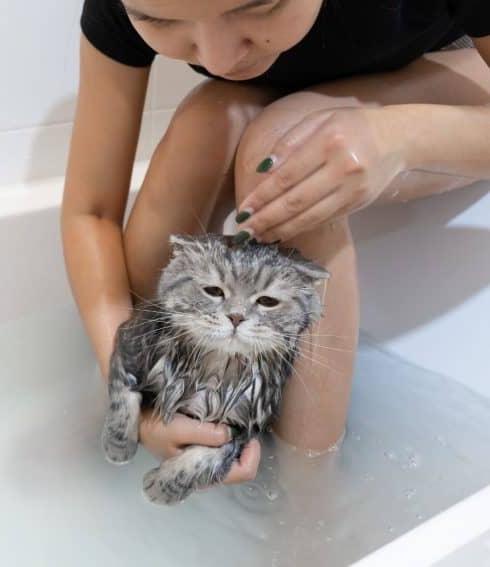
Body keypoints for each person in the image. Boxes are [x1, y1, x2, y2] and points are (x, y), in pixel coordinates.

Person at [60, 0, 490, 486]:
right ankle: (151, 405)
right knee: (204, 124)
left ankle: (309, 505)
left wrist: (401, 138)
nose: (219, 60)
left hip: (463, 99)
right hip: (302, 99)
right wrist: (126, 394)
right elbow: (91, 211)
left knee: (283, 151)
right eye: (160, 21)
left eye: (260, 7)